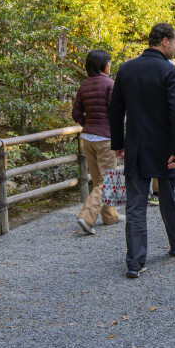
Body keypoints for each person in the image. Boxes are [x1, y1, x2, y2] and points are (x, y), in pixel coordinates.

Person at [109, 23, 175, 279]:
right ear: (165, 41)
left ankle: (135, 262)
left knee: (135, 206)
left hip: (135, 145)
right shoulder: (168, 72)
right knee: (167, 197)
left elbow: (115, 109)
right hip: (164, 147)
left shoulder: (126, 69)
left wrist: (118, 143)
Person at [71, 49, 122, 236]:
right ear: (103, 65)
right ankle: (87, 217)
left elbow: (76, 113)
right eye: (109, 62)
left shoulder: (83, 85)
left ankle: (110, 216)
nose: (110, 65)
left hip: (88, 138)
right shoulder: (110, 84)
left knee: (100, 180)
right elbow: (115, 113)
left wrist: (89, 124)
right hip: (106, 138)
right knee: (109, 179)